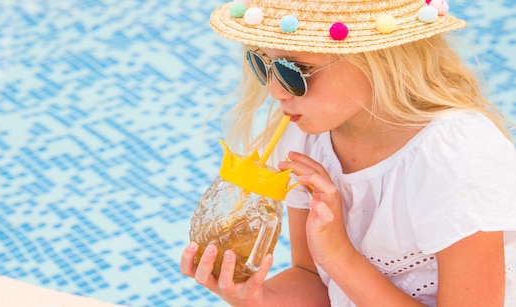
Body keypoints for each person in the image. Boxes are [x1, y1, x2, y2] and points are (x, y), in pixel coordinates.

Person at [179, 0, 516, 306]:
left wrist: (339, 255)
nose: (276, 91)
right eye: (261, 63)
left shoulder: (455, 155)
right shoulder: (304, 135)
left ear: (377, 59)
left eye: (294, 71)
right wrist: (256, 297)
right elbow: (314, 282)